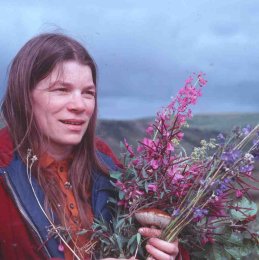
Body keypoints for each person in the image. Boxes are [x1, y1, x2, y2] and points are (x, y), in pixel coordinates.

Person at [0, 33, 184, 260]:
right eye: (61, 90)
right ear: (24, 96)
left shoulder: (106, 164)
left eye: (88, 93)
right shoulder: (4, 167)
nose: (80, 105)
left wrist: (170, 253)